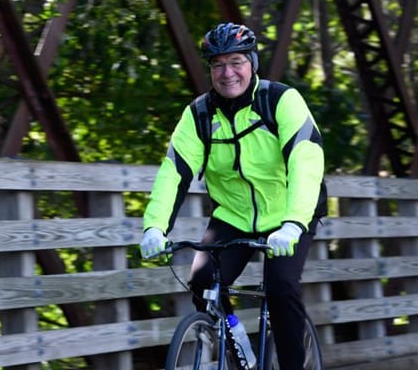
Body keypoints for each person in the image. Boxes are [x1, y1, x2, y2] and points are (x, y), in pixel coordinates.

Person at [139, 22, 327, 369]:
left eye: (236, 61)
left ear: (252, 63)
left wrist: (293, 223)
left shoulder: (281, 100)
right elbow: (173, 173)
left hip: (289, 215)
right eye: (217, 64)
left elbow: (306, 162)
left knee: (281, 287)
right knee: (201, 281)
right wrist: (155, 226)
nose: (227, 73)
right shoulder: (198, 115)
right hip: (234, 216)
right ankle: (239, 348)